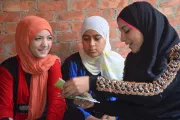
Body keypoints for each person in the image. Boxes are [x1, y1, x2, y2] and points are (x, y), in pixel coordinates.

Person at [62, 2, 180, 120]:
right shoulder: (134, 59)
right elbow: (129, 104)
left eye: (127, 30)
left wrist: (93, 82)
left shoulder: (176, 55)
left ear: (145, 26)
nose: (122, 38)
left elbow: (155, 91)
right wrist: (96, 104)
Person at [0, 16, 67, 120]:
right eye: (38, 38)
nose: (45, 44)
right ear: (25, 40)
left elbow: (57, 102)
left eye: (49, 38)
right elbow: (5, 107)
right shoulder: (8, 68)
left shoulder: (53, 64)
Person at [61, 16, 124, 120]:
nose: (91, 44)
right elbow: (68, 100)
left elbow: (125, 97)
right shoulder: (72, 63)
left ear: (106, 38)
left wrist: (113, 115)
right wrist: (88, 117)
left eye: (97, 38)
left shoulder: (117, 63)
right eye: (86, 39)